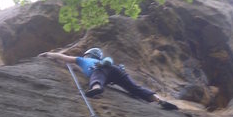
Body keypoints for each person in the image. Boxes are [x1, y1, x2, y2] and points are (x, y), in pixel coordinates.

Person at [39, 47, 178, 109]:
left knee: (97, 77)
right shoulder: (100, 60)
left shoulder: (82, 60)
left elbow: (63, 57)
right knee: (134, 88)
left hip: (101, 70)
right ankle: (158, 100)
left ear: (88, 55)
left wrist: (48, 54)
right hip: (117, 71)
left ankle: (96, 88)